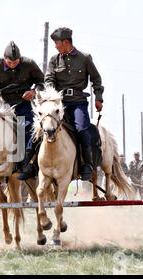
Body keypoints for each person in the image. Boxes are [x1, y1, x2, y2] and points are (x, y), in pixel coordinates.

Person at [44, 27, 104, 181]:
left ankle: (88, 165)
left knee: (82, 129)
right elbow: (49, 79)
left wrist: (98, 98)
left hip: (78, 103)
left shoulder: (84, 58)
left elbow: (96, 79)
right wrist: (51, 95)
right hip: (59, 105)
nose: (56, 46)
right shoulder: (54, 60)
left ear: (66, 42)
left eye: (57, 43)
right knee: (44, 129)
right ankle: (35, 165)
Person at [0, 41, 45, 180]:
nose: (13, 65)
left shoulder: (29, 64)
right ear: (4, 58)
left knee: (27, 129)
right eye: (10, 62)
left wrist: (34, 91)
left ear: (20, 58)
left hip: (23, 104)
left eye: (16, 62)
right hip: (3, 105)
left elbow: (42, 82)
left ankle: (27, 164)